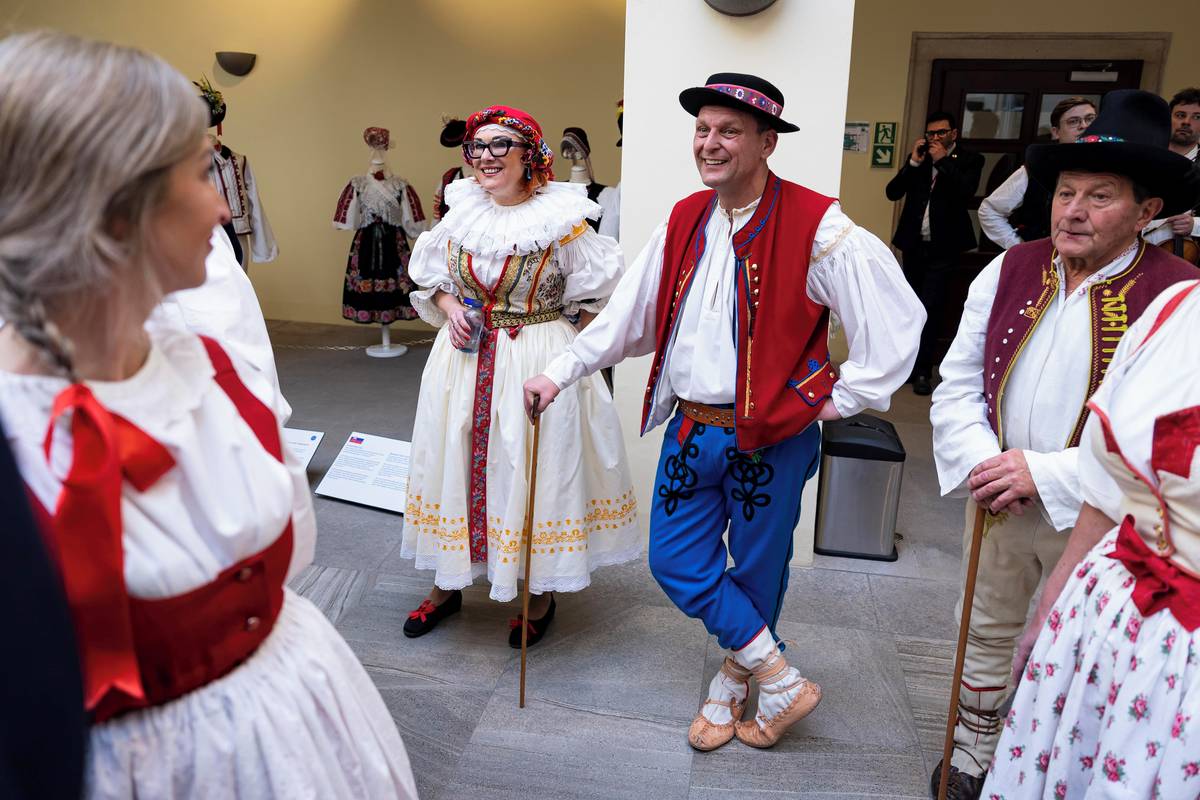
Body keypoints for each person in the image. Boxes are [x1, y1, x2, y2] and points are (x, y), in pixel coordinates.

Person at [0, 31, 417, 799]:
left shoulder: (208, 364)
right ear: (112, 212)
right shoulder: (17, 437)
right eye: (199, 174)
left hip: (304, 731)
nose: (225, 205)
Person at [523, 72, 924, 750]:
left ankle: (731, 685)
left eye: (729, 131)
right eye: (703, 129)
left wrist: (834, 402)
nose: (709, 143)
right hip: (693, 426)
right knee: (674, 559)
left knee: (760, 566)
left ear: (767, 142)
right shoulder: (684, 218)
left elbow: (893, 320)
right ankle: (779, 675)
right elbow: (629, 317)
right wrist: (559, 372)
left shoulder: (817, 223)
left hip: (774, 436)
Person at [928, 88, 1200, 799]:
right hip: (998, 495)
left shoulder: (1179, 296)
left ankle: (1045, 761)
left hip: (1106, 520)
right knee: (983, 625)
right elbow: (959, 380)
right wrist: (986, 464)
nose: (1072, 211)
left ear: (1147, 211)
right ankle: (973, 750)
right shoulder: (1010, 268)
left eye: (1099, 197)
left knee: (1075, 645)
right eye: (1065, 192)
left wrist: (1045, 474)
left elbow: (1164, 436)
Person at [399, 105, 640, 646]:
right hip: (462, 362)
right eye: (477, 147)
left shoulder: (561, 221)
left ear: (529, 155)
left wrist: (567, 348)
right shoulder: (461, 212)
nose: (485, 156)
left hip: (536, 357)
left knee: (534, 469)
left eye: (499, 145)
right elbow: (431, 281)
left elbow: (601, 297)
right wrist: (450, 307)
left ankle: (539, 591)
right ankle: (447, 582)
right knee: (454, 462)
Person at [982, 274, 1200, 797]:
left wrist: (1043, 472)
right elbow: (1105, 489)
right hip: (1105, 614)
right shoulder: (1178, 307)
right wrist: (1051, 609)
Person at [886, 110, 985, 395]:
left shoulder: (970, 159)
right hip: (914, 245)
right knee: (909, 307)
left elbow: (966, 192)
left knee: (931, 308)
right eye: (931, 133)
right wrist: (913, 163)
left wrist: (942, 161)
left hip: (944, 248)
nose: (935, 138)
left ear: (953, 134)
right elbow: (893, 192)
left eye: (941, 132)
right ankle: (905, 367)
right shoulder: (920, 159)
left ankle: (923, 371)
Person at [978, 97, 1097, 249]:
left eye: (1090, 119)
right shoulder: (1036, 168)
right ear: (1056, 132)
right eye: (1073, 121)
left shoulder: (1117, 166)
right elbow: (990, 211)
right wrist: (1021, 248)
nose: (1084, 126)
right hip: (1047, 257)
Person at [1142, 87, 1200, 252]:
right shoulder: (1145, 154)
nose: (1186, 122)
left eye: (1197, 117)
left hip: (1184, 254)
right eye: (1180, 115)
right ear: (1169, 118)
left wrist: (1194, 225)